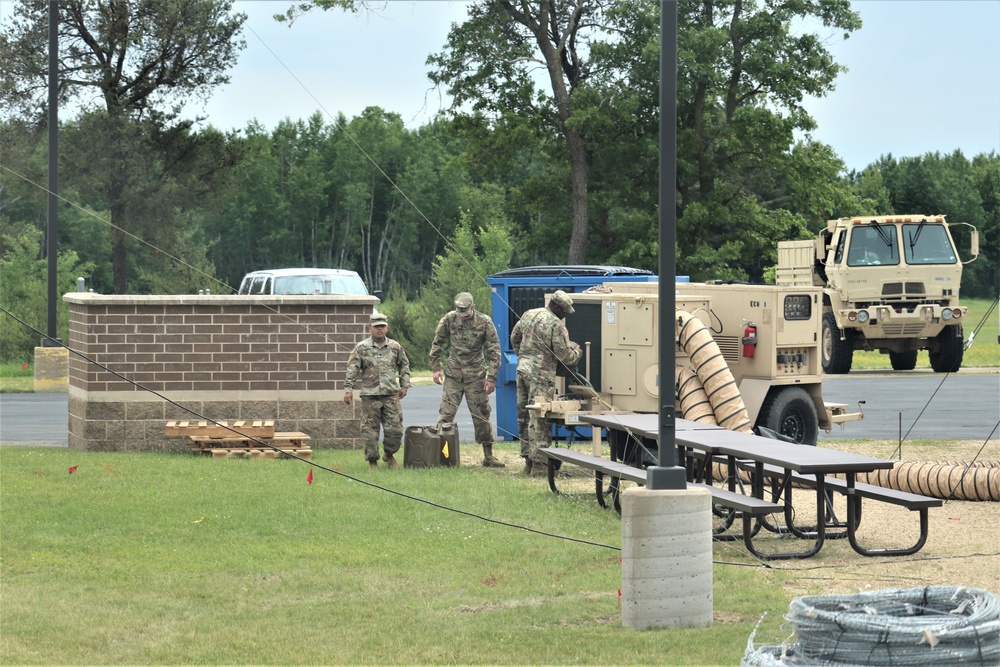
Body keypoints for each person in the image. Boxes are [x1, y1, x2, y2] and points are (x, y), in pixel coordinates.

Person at [429, 292, 505, 468]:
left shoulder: (484, 322)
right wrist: (435, 368)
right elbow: (437, 343)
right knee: (446, 415)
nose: (462, 315)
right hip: (453, 375)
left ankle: (488, 456)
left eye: (465, 311)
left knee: (481, 416)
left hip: (476, 376)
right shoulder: (449, 319)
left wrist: (491, 378)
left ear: (473, 307)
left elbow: (494, 350)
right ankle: (442, 455)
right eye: (459, 310)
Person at [510, 290, 582, 475]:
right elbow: (564, 355)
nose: (565, 314)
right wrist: (577, 353)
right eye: (564, 311)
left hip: (523, 369)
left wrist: (525, 356)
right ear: (556, 307)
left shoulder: (529, 314)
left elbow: (514, 337)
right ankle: (541, 465)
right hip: (541, 376)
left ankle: (528, 461)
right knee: (540, 417)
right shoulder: (554, 324)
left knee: (524, 416)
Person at [343, 312, 411, 469]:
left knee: (395, 429)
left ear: (386, 328)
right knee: (369, 431)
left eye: (382, 326)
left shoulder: (395, 347)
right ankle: (372, 461)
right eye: (376, 327)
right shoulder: (362, 348)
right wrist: (348, 389)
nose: (380, 329)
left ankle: (390, 454)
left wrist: (404, 385)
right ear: (370, 328)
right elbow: (352, 369)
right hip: (370, 396)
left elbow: (405, 365)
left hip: (391, 394)